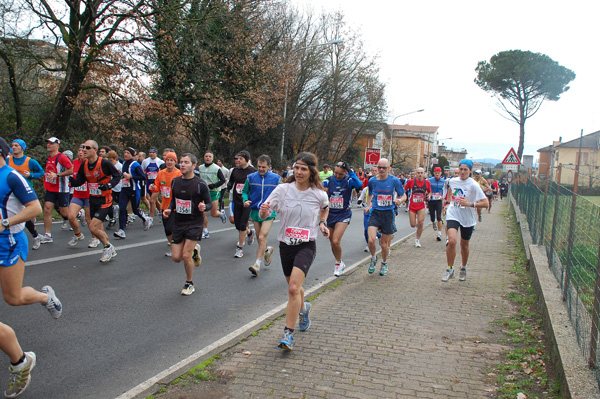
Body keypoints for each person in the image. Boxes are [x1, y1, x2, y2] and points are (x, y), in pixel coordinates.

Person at [0, 136, 63, 398]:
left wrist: (5, 223)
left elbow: (35, 208)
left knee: (13, 298)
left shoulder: (11, 176)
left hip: (10, 242)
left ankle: (46, 297)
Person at [259, 152, 330, 350]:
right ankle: (304, 308)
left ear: (311, 171)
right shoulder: (282, 190)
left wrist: (322, 223)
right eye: (296, 167)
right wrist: (263, 210)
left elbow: (325, 207)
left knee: (292, 289)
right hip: (286, 245)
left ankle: (288, 334)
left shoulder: (319, 194)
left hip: (307, 244)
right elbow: (264, 211)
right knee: (295, 288)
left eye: (303, 169)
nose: (299, 172)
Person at [163, 153, 211, 295]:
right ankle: (195, 249)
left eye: (186, 162)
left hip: (194, 222)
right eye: (181, 162)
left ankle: (189, 283)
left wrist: (204, 207)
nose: (182, 165)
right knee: (176, 258)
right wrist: (169, 209)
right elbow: (174, 199)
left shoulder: (200, 184)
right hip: (179, 222)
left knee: (185, 256)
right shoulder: (175, 182)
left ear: (194, 165)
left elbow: (209, 203)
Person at [69, 140, 121, 262]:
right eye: (83, 147)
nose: (84, 150)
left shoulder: (104, 163)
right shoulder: (85, 164)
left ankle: (108, 247)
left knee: (92, 227)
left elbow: (117, 176)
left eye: (87, 147)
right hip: (92, 199)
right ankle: (109, 247)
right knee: (98, 228)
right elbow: (80, 180)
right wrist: (70, 180)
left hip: (105, 200)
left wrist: (109, 185)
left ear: (95, 150)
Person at [441, 159, 488, 282]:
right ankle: (450, 269)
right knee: (451, 241)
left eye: (465, 170)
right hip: (453, 213)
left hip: (467, 217)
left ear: (470, 171)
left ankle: (463, 267)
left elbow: (485, 203)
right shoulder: (452, 181)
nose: (462, 172)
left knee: (464, 245)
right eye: (460, 169)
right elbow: (450, 193)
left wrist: (469, 204)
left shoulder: (473, 185)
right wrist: (447, 204)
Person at [365, 158, 406, 276]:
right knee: (371, 240)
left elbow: (403, 195)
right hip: (376, 212)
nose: (381, 170)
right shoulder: (372, 181)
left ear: (389, 168)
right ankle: (373, 258)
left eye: (384, 168)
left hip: (388, 213)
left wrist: (399, 200)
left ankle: (384, 262)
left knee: (384, 245)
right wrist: (368, 205)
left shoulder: (394, 181)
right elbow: (370, 193)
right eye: (379, 167)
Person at [322, 161, 362, 276]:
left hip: (344, 214)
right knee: (332, 243)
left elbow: (359, 185)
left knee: (336, 240)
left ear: (345, 172)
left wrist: (350, 172)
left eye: (340, 174)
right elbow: (320, 185)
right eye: (336, 173)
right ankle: (340, 262)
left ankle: (338, 265)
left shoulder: (349, 180)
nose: (338, 176)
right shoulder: (330, 180)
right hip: (330, 214)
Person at [242, 154, 279, 276]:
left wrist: (279, 205)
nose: (261, 169)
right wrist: (245, 200)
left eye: (263, 167)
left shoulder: (276, 178)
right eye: (259, 167)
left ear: (269, 166)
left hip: (269, 211)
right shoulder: (251, 177)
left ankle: (257, 264)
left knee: (262, 237)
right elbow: (245, 192)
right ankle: (267, 250)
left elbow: (281, 194)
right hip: (255, 211)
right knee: (259, 239)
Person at [7, 139, 45, 250]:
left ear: (22, 148)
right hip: (10, 192)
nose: (13, 147)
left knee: (23, 217)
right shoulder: (8, 160)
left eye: (16, 145)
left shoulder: (30, 161)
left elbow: (41, 172)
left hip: (25, 192)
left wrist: (30, 175)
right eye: (12, 145)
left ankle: (36, 236)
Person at [114, 148, 152, 239]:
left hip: (134, 190)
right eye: (124, 153)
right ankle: (121, 230)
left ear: (132, 155)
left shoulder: (135, 164)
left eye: (128, 153)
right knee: (122, 208)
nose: (125, 154)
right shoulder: (123, 163)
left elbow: (143, 176)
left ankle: (145, 218)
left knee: (135, 210)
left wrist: (131, 176)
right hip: (124, 189)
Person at [40, 137, 73, 243]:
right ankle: (48, 235)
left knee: (64, 213)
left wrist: (58, 175)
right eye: (48, 143)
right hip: (51, 188)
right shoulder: (48, 157)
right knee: (47, 209)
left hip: (62, 189)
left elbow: (71, 170)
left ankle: (79, 214)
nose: (48, 145)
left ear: (57, 146)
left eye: (51, 143)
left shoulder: (62, 157)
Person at [149, 151, 181, 257]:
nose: (169, 162)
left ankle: (176, 248)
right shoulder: (161, 173)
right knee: (167, 230)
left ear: (175, 162)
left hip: (176, 206)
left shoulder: (179, 173)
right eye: (167, 160)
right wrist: (153, 188)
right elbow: (157, 186)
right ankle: (174, 246)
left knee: (172, 228)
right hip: (165, 205)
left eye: (172, 160)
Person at [227, 151, 257, 258]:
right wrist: (229, 186)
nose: (238, 160)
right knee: (238, 225)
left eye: (240, 158)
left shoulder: (253, 172)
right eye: (237, 159)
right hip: (237, 200)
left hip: (247, 202)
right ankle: (249, 233)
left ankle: (240, 248)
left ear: (246, 159)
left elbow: (257, 185)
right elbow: (231, 182)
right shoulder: (235, 170)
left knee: (243, 224)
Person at [66, 145, 95, 247]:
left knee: (88, 219)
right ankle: (78, 235)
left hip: (88, 195)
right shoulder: (74, 163)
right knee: (70, 216)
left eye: (83, 151)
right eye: (79, 150)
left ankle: (94, 238)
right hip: (77, 194)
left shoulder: (90, 163)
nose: (81, 152)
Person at [198, 151, 227, 239]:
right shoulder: (200, 167)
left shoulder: (216, 168)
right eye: (206, 156)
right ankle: (205, 231)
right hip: (203, 192)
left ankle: (221, 215)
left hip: (214, 191)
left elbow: (223, 180)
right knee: (202, 212)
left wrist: (214, 185)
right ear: (204, 157)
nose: (208, 158)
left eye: (209, 156)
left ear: (212, 158)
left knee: (213, 213)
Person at [403, 167, 431, 248]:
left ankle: (417, 240)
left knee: (421, 222)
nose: (420, 174)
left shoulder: (427, 183)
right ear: (415, 174)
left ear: (424, 174)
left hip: (421, 205)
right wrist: (403, 198)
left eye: (421, 173)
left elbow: (430, 192)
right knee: (413, 224)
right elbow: (403, 190)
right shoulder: (411, 182)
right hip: (412, 205)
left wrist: (429, 196)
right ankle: (416, 222)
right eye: (418, 173)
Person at [141, 148, 164, 218]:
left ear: (156, 153)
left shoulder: (160, 161)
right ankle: (160, 211)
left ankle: (152, 215)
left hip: (157, 182)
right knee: (153, 199)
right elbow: (142, 170)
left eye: (153, 152)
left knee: (152, 200)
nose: (151, 154)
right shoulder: (145, 161)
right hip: (149, 181)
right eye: (150, 152)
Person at [427, 167, 445, 242]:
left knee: (439, 217)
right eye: (436, 173)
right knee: (432, 217)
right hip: (431, 200)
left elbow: (445, 190)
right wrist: (428, 195)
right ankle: (433, 222)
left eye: (438, 173)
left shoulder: (443, 181)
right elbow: (427, 189)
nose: (437, 174)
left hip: (439, 201)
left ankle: (439, 234)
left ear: (441, 173)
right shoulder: (429, 180)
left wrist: (444, 197)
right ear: (434, 173)